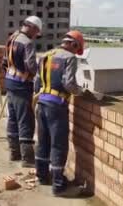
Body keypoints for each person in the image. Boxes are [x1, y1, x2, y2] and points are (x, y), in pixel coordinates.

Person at [34, 30, 86, 196]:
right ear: (74, 44)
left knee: (43, 141)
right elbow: (69, 83)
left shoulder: (46, 54)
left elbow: (37, 80)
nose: (75, 53)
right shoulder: (69, 58)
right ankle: (58, 185)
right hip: (56, 106)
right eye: (76, 49)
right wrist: (81, 91)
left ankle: (42, 176)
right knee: (58, 144)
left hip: (41, 103)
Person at [2, 15, 43, 167]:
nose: (35, 35)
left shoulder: (12, 38)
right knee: (26, 121)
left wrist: (10, 77)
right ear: (32, 27)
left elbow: (4, 62)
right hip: (22, 86)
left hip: (10, 83)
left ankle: (14, 153)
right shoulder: (27, 43)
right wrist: (38, 76)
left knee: (12, 119)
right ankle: (27, 159)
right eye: (36, 32)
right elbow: (31, 66)